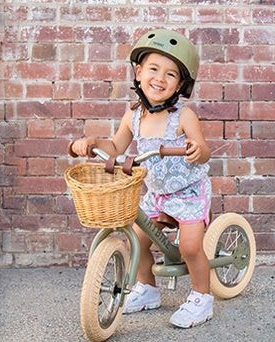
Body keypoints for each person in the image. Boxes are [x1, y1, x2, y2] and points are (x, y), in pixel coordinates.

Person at [69, 29, 216, 328]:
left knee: (189, 246)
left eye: (170, 74)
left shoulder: (184, 117)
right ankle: (147, 289)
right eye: (153, 69)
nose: (160, 78)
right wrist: (94, 142)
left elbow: (204, 150)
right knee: (137, 238)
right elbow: (116, 147)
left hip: (188, 192)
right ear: (138, 73)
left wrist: (195, 149)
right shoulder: (133, 115)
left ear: (181, 84)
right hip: (158, 194)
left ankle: (202, 297)